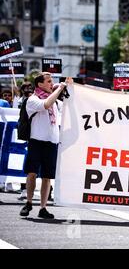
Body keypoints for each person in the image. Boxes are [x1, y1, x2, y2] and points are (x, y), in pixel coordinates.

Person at [19, 72, 72, 219]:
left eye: (52, 81)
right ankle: (28, 202)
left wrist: (72, 88)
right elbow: (46, 104)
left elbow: (70, 105)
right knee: (32, 173)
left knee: (47, 177)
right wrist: (59, 88)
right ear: (40, 84)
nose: (51, 83)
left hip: (51, 143)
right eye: (48, 81)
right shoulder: (32, 99)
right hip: (36, 141)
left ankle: (43, 207)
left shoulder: (56, 102)